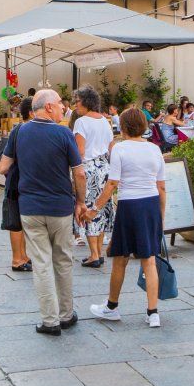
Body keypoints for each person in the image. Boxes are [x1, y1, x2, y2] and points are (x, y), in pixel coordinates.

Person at [0, 89, 86, 336]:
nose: (63, 108)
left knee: (42, 264)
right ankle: (66, 315)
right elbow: (79, 172)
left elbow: (3, 167)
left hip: (30, 207)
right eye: (59, 104)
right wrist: (81, 202)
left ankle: (50, 321)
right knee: (63, 261)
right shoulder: (63, 133)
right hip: (60, 208)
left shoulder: (19, 132)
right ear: (47, 107)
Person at [88, 109, 166, 328]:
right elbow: (161, 187)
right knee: (149, 260)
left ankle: (112, 307)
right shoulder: (154, 149)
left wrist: (95, 208)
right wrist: (161, 216)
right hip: (150, 204)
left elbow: (112, 183)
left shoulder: (120, 148)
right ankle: (153, 313)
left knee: (120, 259)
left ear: (122, 127)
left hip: (129, 205)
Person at [72, 87, 115, 268]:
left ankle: (94, 255)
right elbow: (111, 146)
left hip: (88, 168)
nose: (75, 105)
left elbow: (80, 151)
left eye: (77, 101)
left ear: (86, 101)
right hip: (105, 167)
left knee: (89, 208)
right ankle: (98, 252)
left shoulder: (81, 122)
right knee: (101, 208)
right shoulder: (105, 121)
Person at [0, 97, 34, 272]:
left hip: (15, 180)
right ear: (32, 112)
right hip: (20, 180)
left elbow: (3, 167)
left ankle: (23, 256)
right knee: (18, 221)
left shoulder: (17, 129)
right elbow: (2, 166)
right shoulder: (23, 130)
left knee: (19, 220)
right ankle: (17, 259)